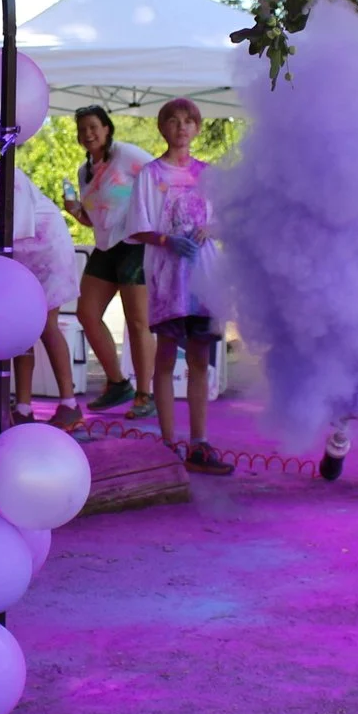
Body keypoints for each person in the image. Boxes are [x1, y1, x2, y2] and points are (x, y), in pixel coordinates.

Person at [127, 97, 234, 473]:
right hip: (167, 277)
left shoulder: (209, 175)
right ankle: (168, 441)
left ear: (197, 127)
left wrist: (211, 229)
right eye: (173, 121)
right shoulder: (150, 174)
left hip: (202, 275)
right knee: (166, 354)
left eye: (188, 121)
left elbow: (225, 220)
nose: (181, 127)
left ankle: (199, 442)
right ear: (163, 128)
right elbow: (137, 226)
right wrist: (164, 240)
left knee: (200, 358)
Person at [0, 157, 85, 431]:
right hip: (22, 261)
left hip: (46, 253)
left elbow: (14, 229)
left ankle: (69, 404)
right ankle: (23, 407)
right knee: (21, 330)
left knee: (47, 327)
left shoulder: (7, 176)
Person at [65, 106, 157, 419]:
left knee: (137, 322)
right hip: (106, 246)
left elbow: (160, 177)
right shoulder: (83, 170)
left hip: (135, 244)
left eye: (93, 127)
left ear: (107, 128)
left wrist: (159, 222)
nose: (87, 134)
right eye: (81, 129)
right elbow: (94, 220)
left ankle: (145, 394)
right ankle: (118, 383)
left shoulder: (127, 154)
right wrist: (74, 210)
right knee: (86, 313)